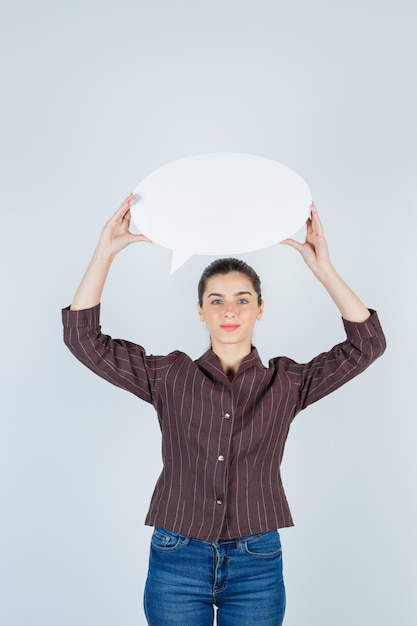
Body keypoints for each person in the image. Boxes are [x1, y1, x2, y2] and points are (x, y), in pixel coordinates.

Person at [62, 193, 386, 626]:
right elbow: (84, 340)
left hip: (257, 561)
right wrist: (105, 251)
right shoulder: (169, 375)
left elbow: (368, 345)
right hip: (177, 555)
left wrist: (322, 269)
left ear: (259, 309)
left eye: (242, 299)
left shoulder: (287, 382)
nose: (229, 310)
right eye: (216, 300)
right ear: (200, 311)